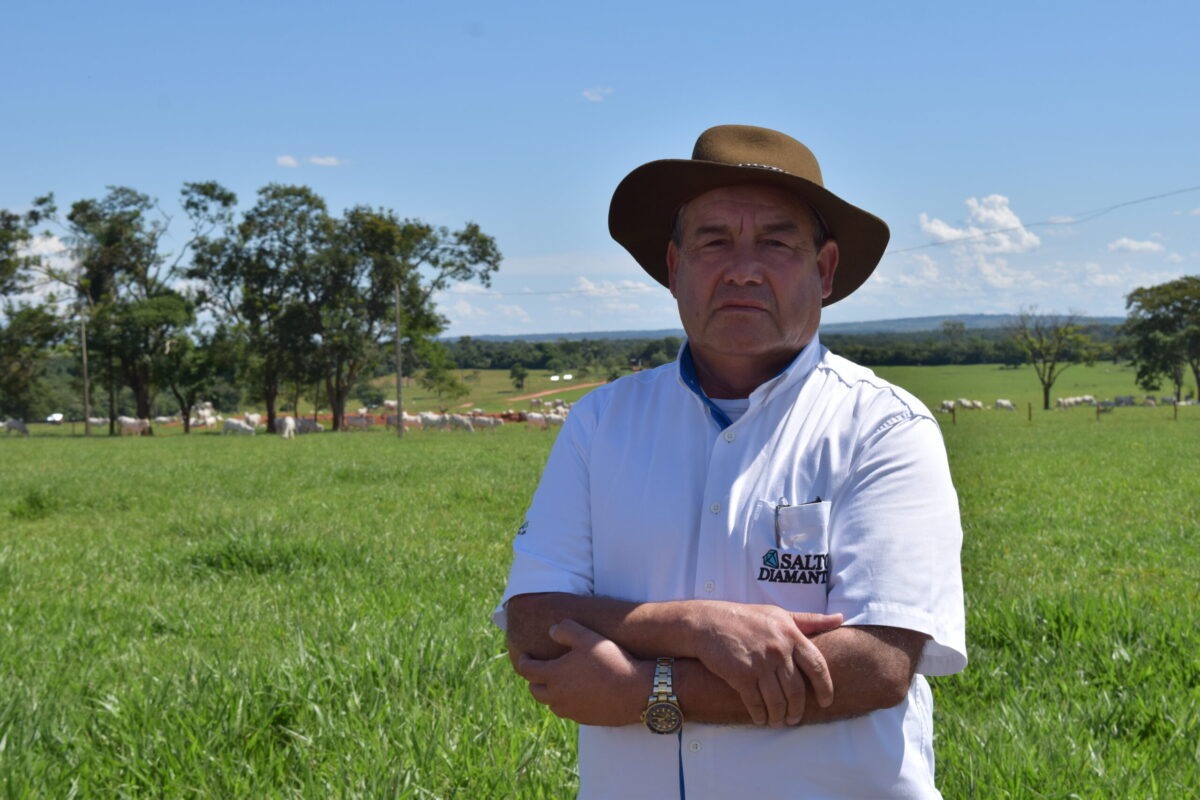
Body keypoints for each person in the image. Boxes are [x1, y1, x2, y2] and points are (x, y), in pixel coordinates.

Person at [493, 124, 967, 799]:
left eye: (776, 242)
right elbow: (534, 620)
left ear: (824, 270)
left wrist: (645, 689)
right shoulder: (601, 422)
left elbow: (877, 662)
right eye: (714, 240)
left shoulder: (884, 427)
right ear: (673, 267)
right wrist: (692, 625)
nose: (742, 267)